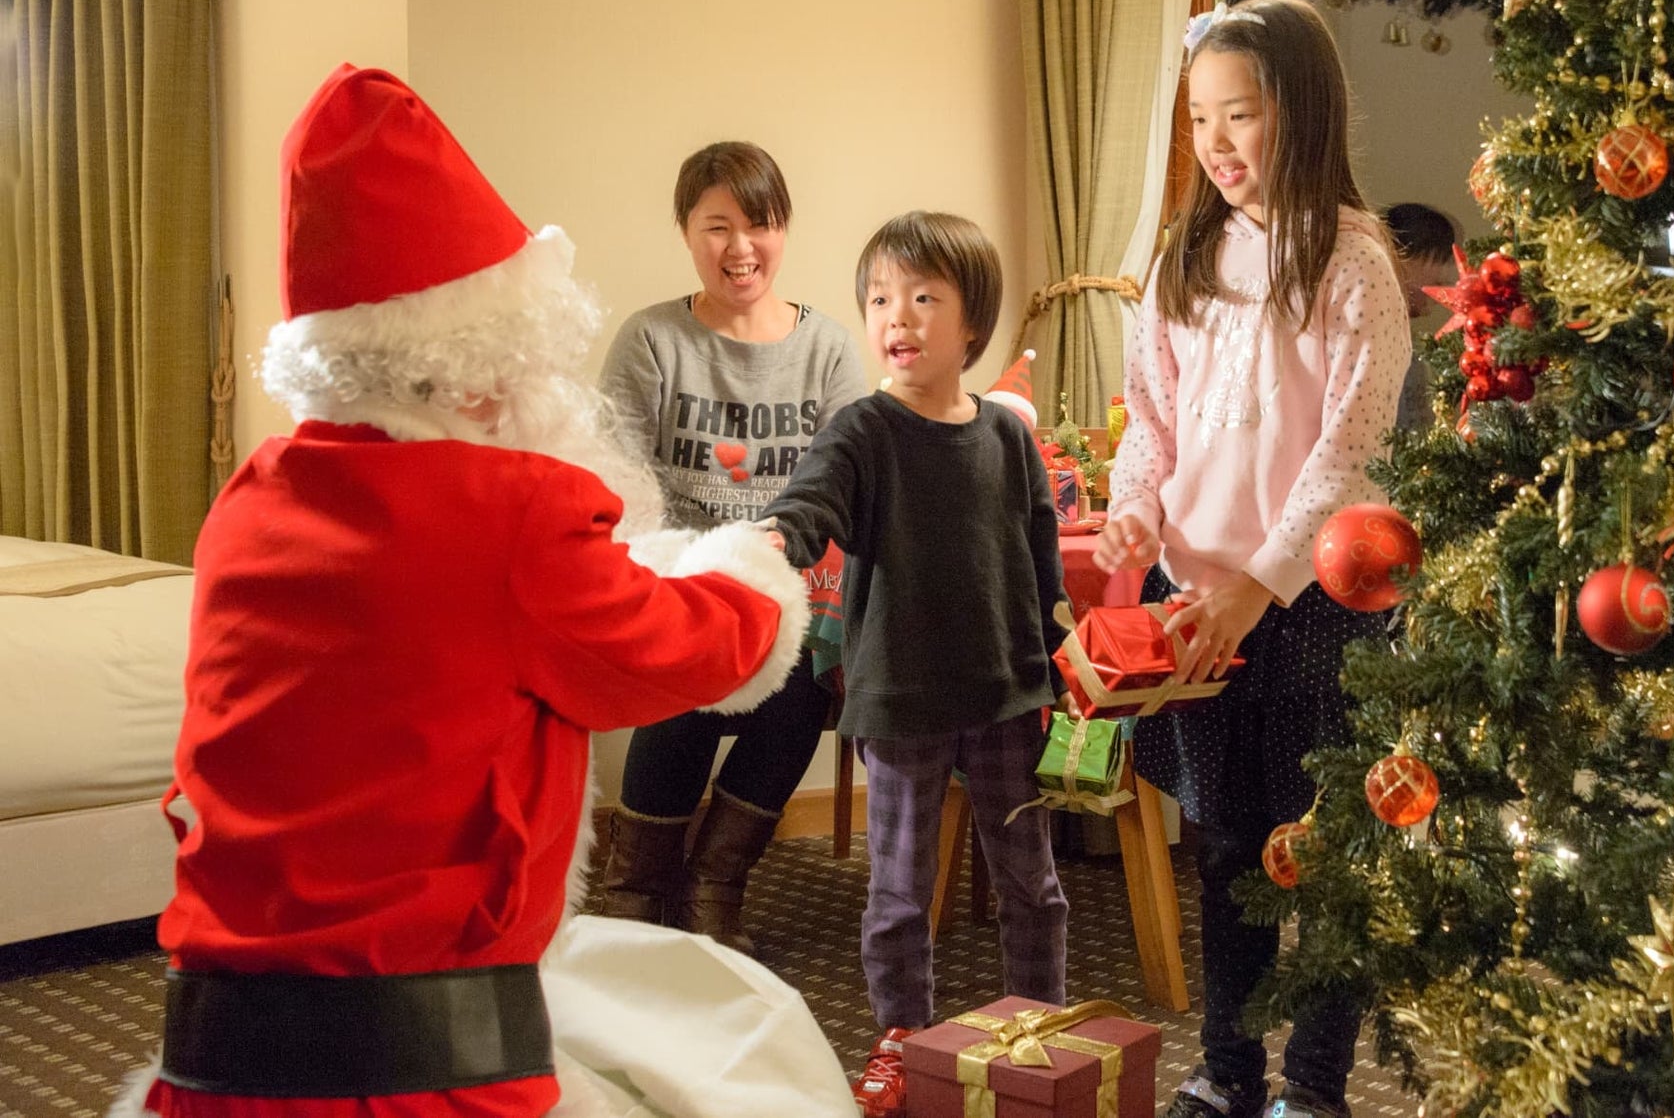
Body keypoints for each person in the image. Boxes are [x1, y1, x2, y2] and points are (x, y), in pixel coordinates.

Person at [119, 65, 851, 1118]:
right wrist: (752, 571)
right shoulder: (508, 508)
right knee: (760, 1059)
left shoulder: (249, 503)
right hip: (425, 1075)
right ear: (476, 363)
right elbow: (694, 644)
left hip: (209, 1068)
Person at [1096, 0, 1413, 1118]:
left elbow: (1348, 450)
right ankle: (1226, 1071)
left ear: (1304, 110)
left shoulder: (1353, 262)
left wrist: (1258, 583)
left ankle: (1315, 1088)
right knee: (1225, 845)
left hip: (1314, 607)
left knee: (1321, 853)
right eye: (1199, 119)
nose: (1217, 142)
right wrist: (1138, 510)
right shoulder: (1184, 258)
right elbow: (1152, 420)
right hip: (1196, 606)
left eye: (1243, 114)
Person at [758, 212, 1072, 1118]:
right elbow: (811, 498)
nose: (899, 317)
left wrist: (1052, 664)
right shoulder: (863, 431)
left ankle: (1038, 1029)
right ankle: (902, 1044)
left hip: (1007, 695)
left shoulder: (1010, 440)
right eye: (882, 299)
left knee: (1034, 887)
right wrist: (778, 536)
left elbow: (1041, 564)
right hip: (899, 701)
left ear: (973, 322)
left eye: (925, 298)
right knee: (899, 897)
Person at [594, 142, 868, 957]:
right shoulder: (651, 341)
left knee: (799, 677)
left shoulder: (825, 349)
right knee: (688, 671)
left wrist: (788, 574)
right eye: (718, 227)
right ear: (686, 232)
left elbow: (849, 482)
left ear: (783, 231)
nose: (740, 248)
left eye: (759, 225)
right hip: (678, 578)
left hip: (789, 589)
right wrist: (685, 568)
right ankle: (640, 888)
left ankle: (717, 881)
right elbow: (615, 477)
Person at [1382, 201, 1462, 432]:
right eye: (1441, 257)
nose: (1448, 280)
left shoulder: (1407, 344)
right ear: (1403, 254)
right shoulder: (1381, 341)